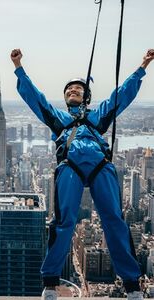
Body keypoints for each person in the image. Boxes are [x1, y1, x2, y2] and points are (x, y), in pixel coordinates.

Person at [11, 48, 154, 300]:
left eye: (77, 89)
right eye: (68, 90)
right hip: (70, 166)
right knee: (64, 221)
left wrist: (142, 67)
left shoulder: (98, 117)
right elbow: (37, 100)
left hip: (101, 167)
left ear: (86, 97)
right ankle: (51, 283)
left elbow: (120, 96)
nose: (72, 91)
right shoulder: (59, 120)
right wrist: (19, 68)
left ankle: (132, 285)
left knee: (115, 221)